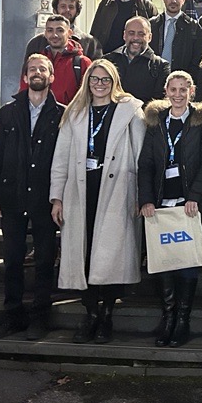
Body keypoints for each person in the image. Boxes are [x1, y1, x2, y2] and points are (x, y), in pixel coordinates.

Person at [50, 59, 147, 344]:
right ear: (87, 82)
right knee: (84, 251)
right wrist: (57, 198)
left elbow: (142, 157)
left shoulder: (131, 111)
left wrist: (141, 197)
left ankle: (106, 315)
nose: (100, 84)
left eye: (106, 79)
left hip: (118, 191)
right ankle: (90, 313)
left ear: (114, 81)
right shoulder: (75, 113)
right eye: (95, 79)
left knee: (111, 256)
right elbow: (60, 159)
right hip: (81, 191)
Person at [0, 54, 65, 341]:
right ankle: (12, 316)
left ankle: (40, 318)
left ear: (51, 76)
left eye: (42, 69)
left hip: (45, 197)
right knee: (13, 259)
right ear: (24, 75)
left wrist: (60, 198)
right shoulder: (8, 112)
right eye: (31, 69)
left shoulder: (62, 113)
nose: (36, 73)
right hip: (12, 195)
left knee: (45, 259)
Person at [138, 71, 202, 347]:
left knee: (187, 263)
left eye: (183, 89)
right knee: (163, 263)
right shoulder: (156, 123)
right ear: (166, 91)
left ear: (191, 91)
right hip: (161, 205)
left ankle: (183, 320)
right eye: (173, 89)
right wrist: (146, 199)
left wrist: (194, 195)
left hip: (189, 205)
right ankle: (168, 317)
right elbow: (146, 164)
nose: (178, 94)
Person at [150, 0, 202, 97]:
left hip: (181, 88)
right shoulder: (152, 25)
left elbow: (200, 59)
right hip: (153, 86)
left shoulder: (193, 27)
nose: (173, 1)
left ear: (183, 0)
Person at [21, 14, 91, 105]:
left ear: (70, 33)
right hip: (37, 116)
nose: (54, 35)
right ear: (45, 34)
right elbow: (23, 90)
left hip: (69, 117)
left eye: (60, 30)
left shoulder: (82, 63)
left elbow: (89, 96)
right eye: (50, 30)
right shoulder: (35, 62)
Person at [104, 16, 170, 103]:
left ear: (149, 37)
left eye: (141, 34)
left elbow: (158, 103)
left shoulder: (160, 66)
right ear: (124, 35)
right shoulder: (108, 61)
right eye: (131, 33)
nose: (136, 38)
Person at [25, 0, 102, 62]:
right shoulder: (37, 42)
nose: (67, 10)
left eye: (71, 7)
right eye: (63, 6)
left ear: (77, 12)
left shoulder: (90, 43)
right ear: (55, 10)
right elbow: (27, 72)